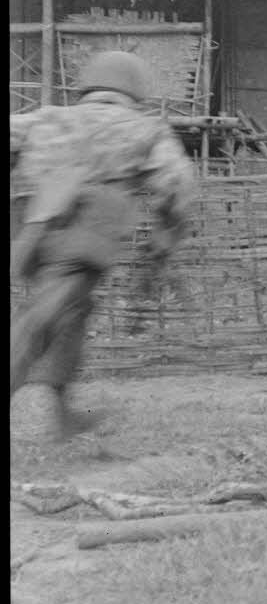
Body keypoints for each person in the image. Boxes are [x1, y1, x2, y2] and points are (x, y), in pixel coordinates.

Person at [10, 50, 197, 438]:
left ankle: (62, 414)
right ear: (134, 90)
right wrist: (165, 239)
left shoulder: (46, 117)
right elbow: (177, 185)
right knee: (39, 319)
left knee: (71, 312)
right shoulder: (143, 128)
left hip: (31, 226)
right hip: (86, 230)